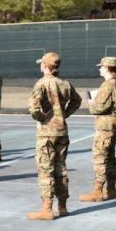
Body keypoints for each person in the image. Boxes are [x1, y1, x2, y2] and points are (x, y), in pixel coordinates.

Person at [26, 52, 82, 220]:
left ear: (44, 66)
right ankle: (63, 206)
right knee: (61, 169)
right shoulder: (65, 83)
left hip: (47, 133)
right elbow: (77, 101)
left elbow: (34, 109)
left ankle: (47, 208)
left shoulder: (41, 83)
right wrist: (64, 114)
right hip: (62, 131)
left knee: (46, 170)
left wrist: (43, 118)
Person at [79, 57, 116, 202]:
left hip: (105, 126)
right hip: (114, 124)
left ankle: (98, 191)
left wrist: (90, 101)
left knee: (99, 157)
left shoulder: (107, 85)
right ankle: (111, 189)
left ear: (107, 68)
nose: (99, 69)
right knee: (110, 157)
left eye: (101, 67)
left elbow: (99, 108)